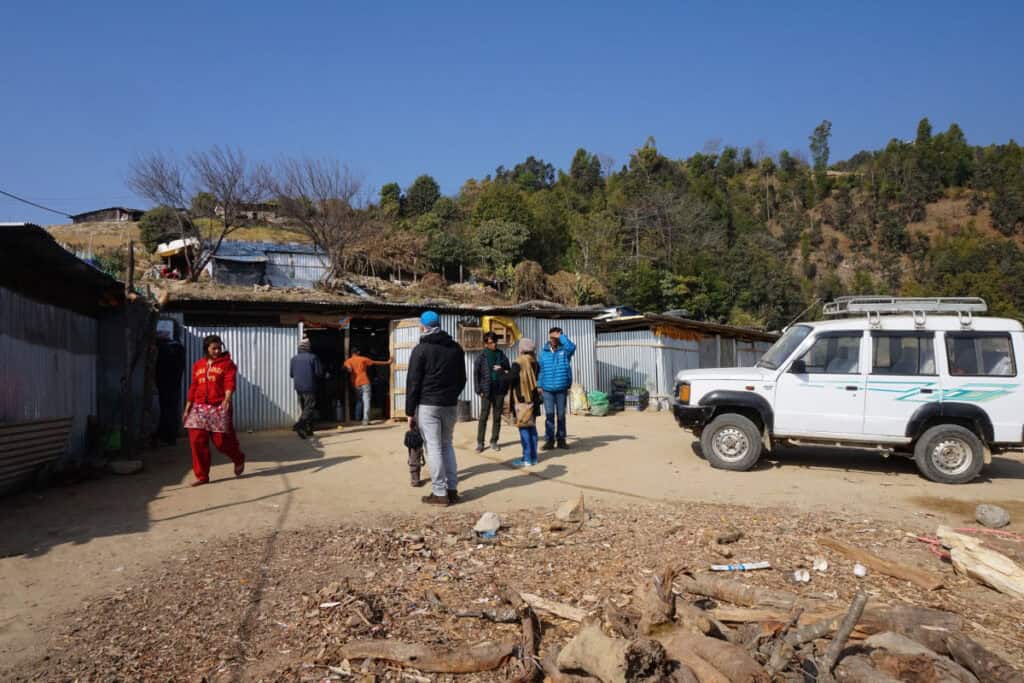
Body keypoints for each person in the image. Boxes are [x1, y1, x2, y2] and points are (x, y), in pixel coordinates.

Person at [406, 310, 467, 506]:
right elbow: (462, 379)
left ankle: (439, 493)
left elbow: (413, 383)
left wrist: (409, 412)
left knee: (433, 447)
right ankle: (452, 490)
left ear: (424, 326)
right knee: (446, 445)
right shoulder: (456, 348)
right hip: (449, 405)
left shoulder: (421, 350)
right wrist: (451, 396)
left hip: (428, 404)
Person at [183, 334, 246, 486]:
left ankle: (238, 458)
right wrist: (187, 408)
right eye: (214, 348)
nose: (217, 351)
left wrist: (227, 399)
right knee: (196, 441)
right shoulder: (198, 365)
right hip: (199, 408)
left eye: (219, 348)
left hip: (219, 406)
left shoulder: (227, 364)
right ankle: (202, 476)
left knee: (221, 442)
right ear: (207, 349)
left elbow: (229, 382)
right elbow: (193, 387)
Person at [537, 326, 576, 450]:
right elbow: (541, 371)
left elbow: (572, 347)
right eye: (551, 336)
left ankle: (561, 440)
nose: (553, 339)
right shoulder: (543, 353)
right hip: (547, 389)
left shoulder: (565, 351)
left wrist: (561, 336)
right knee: (549, 416)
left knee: (561, 416)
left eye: (556, 336)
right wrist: (539, 385)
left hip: (561, 389)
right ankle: (549, 441)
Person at [473, 331, 510, 453]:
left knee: (497, 416)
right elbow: (476, 374)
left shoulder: (501, 354)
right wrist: (479, 390)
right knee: (483, 416)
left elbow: (508, 367)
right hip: (486, 390)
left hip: (499, 389)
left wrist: (502, 368)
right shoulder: (482, 356)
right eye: (490, 342)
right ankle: (480, 443)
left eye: (495, 341)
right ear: (486, 343)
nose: (494, 344)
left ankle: (494, 441)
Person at [507, 338, 542, 467]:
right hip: (533, 399)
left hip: (522, 400)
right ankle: (534, 457)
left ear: (521, 349)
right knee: (532, 427)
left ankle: (526, 459)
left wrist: (501, 372)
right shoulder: (535, 363)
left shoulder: (518, 362)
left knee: (524, 428)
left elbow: (511, 378)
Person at [154, 322, 185, 446]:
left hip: (166, 382)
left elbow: (160, 367)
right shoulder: (178, 348)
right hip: (173, 383)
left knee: (167, 408)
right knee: (170, 408)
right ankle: (168, 435)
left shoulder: (167, 348)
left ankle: (167, 436)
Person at [344, 347, 393, 426]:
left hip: (355, 384)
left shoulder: (348, 361)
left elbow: (348, 367)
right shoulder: (363, 359)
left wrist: (350, 369)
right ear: (358, 352)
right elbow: (375, 362)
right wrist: (387, 362)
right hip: (365, 382)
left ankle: (357, 419)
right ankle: (365, 420)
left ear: (351, 353)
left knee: (359, 400)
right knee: (366, 401)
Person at [290, 337, 323, 439]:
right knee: (310, 407)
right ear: (308, 348)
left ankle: (308, 430)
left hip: (298, 387)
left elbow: (291, 374)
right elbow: (319, 373)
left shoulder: (294, 359)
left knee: (305, 408)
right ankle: (300, 425)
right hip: (309, 386)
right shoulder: (313, 357)